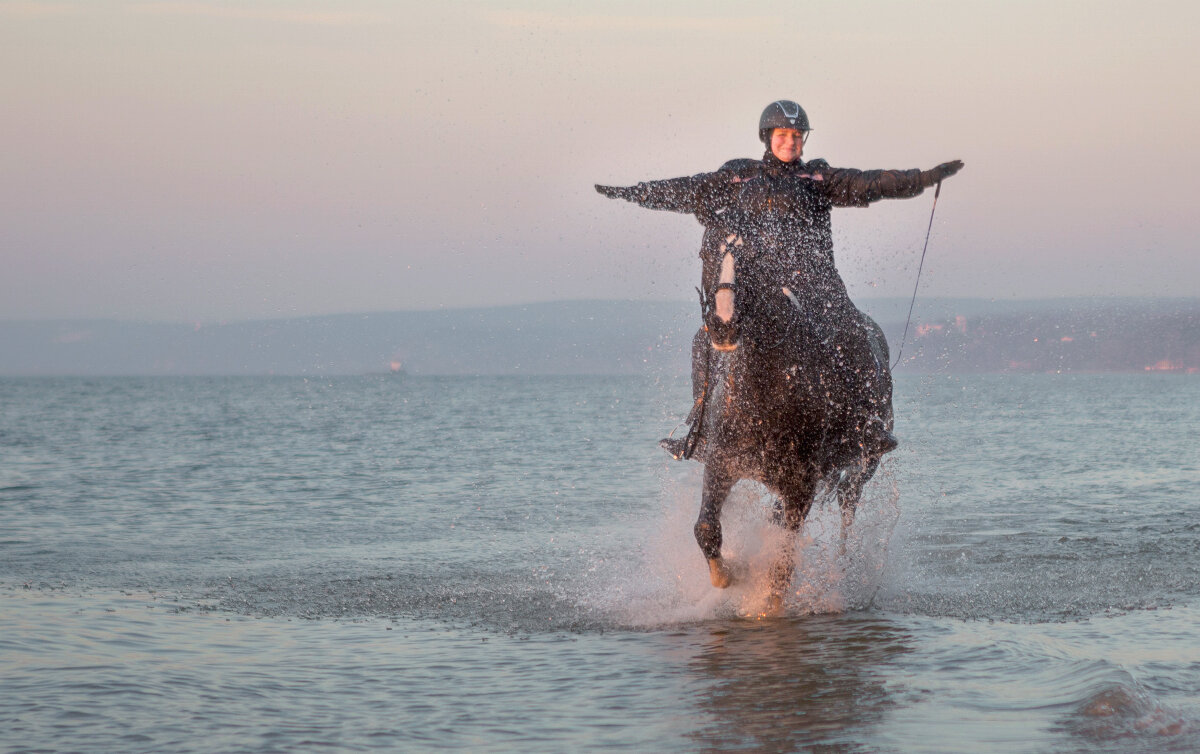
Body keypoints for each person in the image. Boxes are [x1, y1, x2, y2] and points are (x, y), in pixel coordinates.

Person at [596, 99, 963, 458]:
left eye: (798, 134)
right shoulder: (740, 175)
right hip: (759, 285)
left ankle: (867, 422)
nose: (790, 141)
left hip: (816, 283)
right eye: (783, 134)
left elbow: (871, 183)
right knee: (704, 338)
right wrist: (633, 192)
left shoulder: (818, 178)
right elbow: (688, 190)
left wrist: (924, 178)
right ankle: (701, 424)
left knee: (852, 329)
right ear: (766, 136)